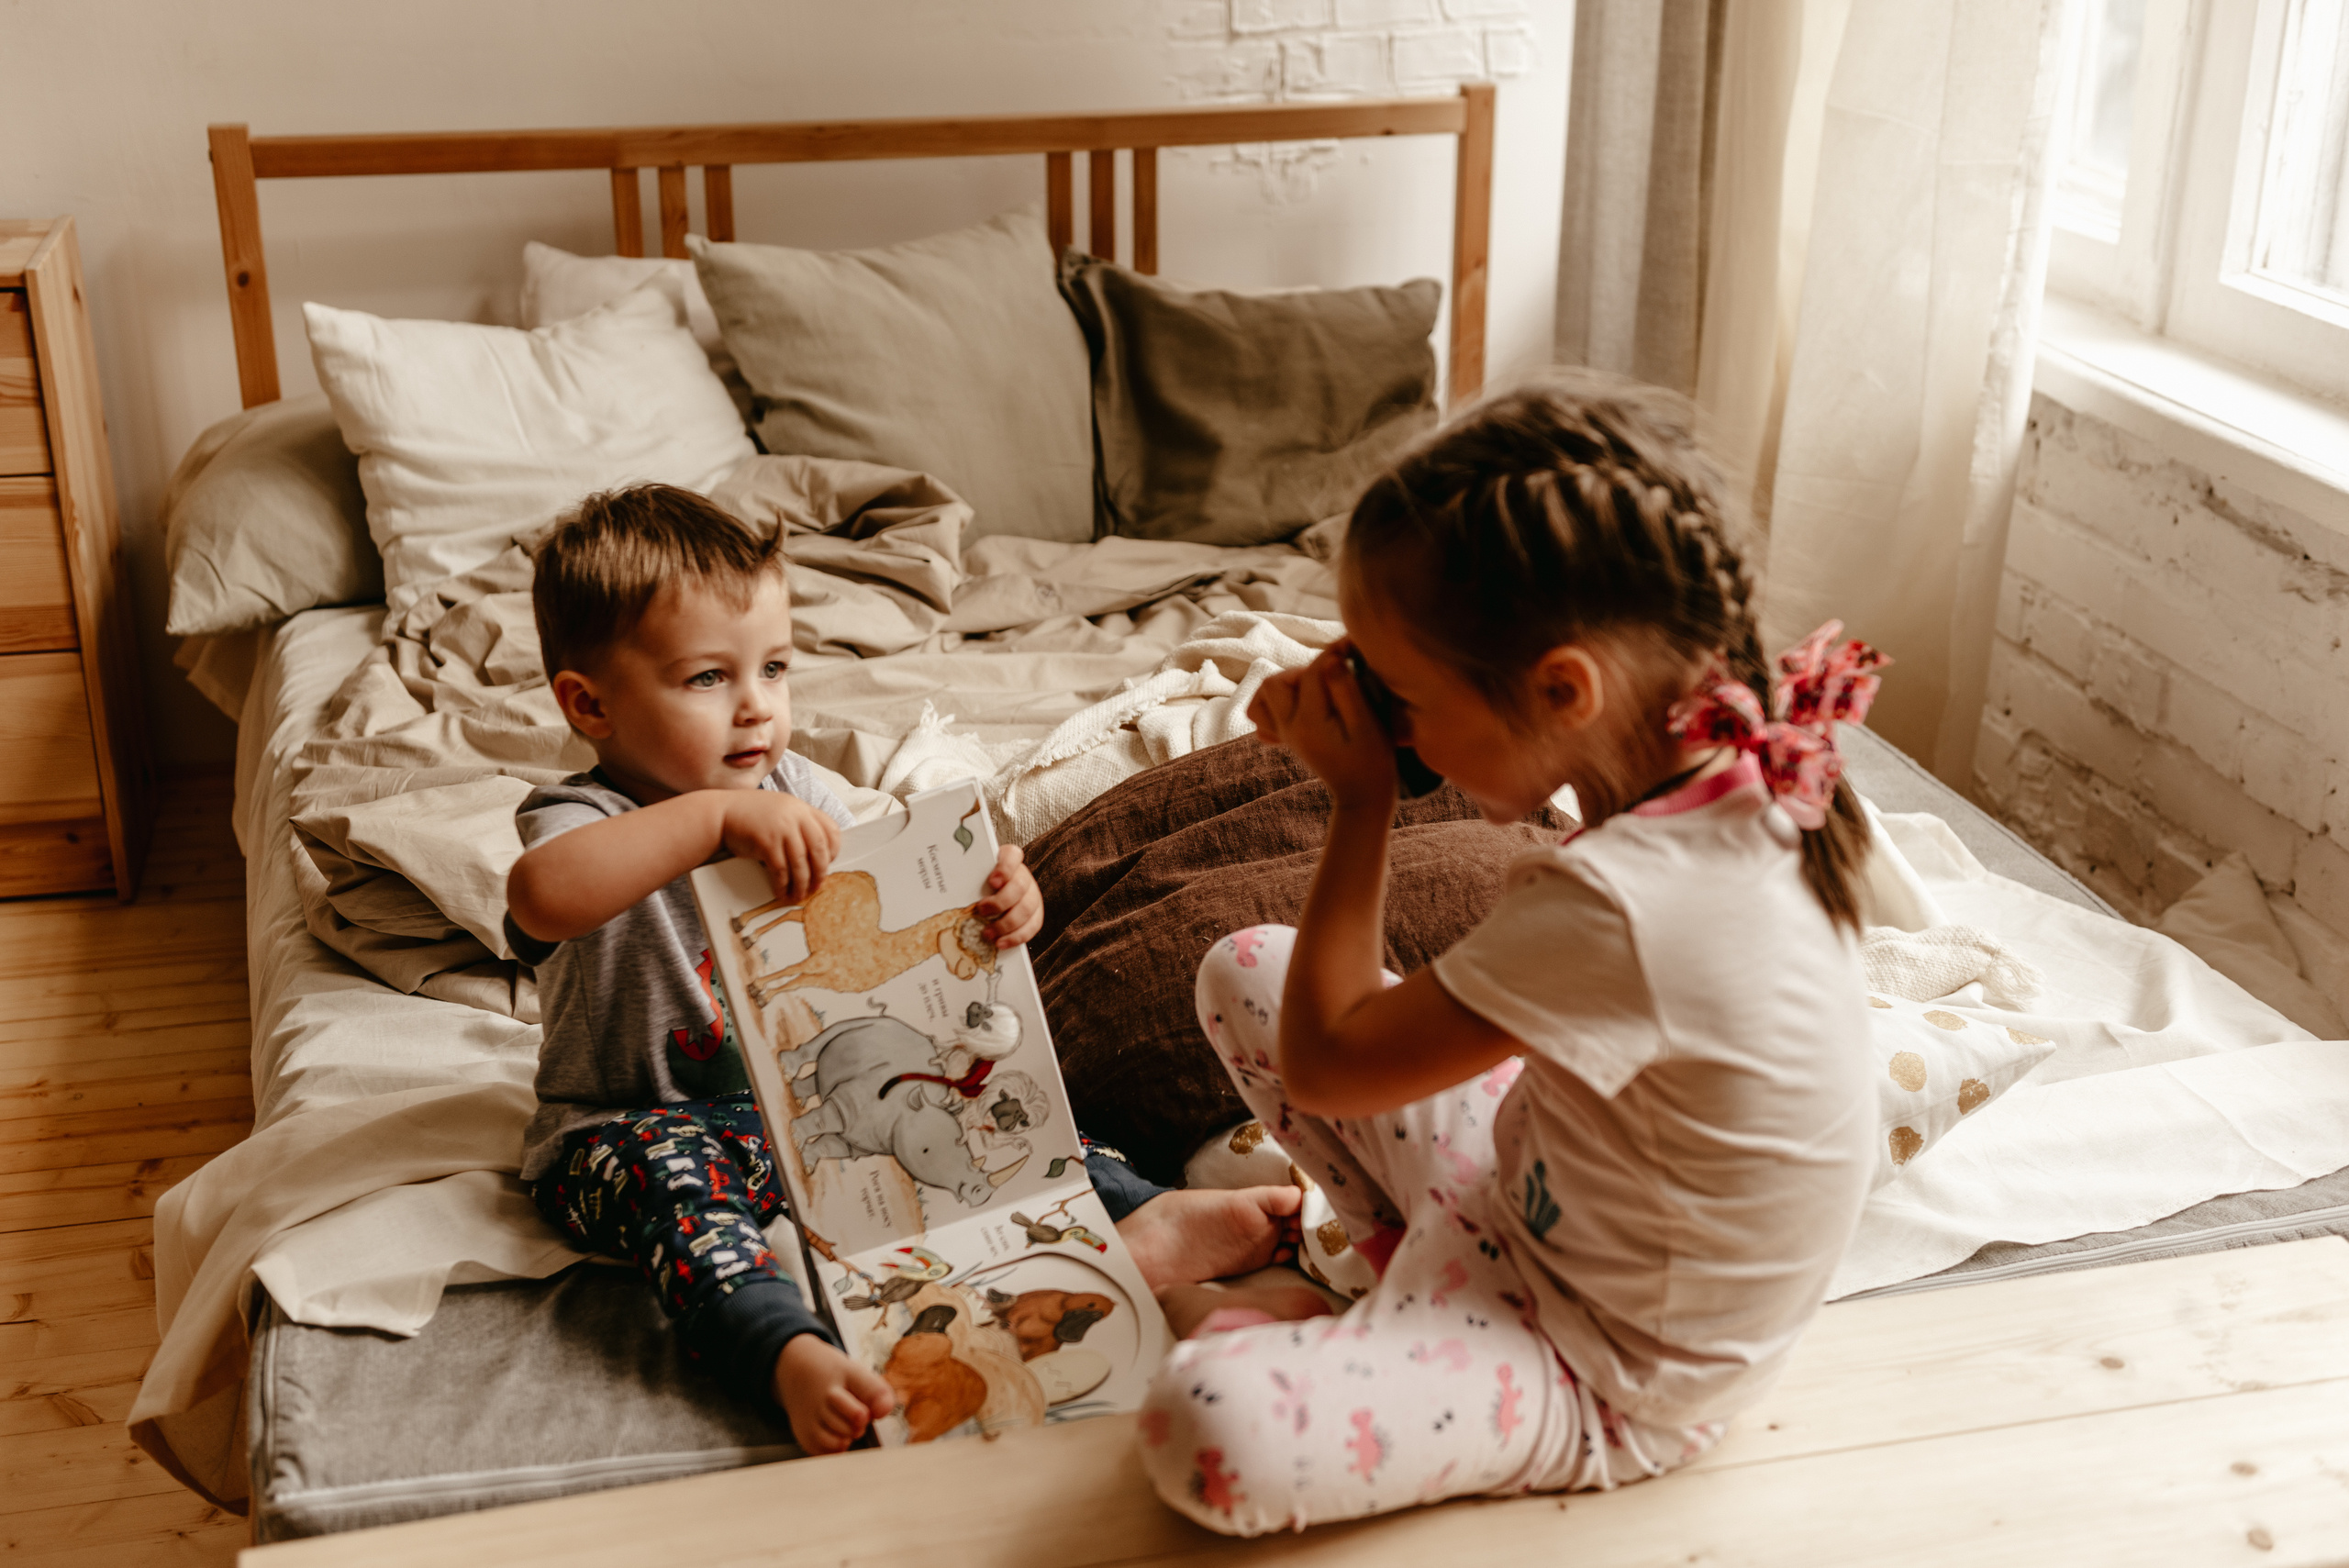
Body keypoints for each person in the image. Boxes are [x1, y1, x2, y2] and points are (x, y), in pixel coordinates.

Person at [1136, 373, 1890, 1535]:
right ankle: (1398, 1284)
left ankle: (1400, 1331)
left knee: (1205, 1426)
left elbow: (1331, 1065)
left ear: (1561, 686)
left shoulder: (1626, 901)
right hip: (1528, 1196)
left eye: (1408, 693)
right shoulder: (1726, 758)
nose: (1398, 723)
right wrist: (1399, 695)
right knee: (1248, 963)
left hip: (1608, 1366)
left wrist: (1361, 801)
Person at [504, 484, 1303, 1457]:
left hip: (807, 1112)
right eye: (707, 676)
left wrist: (1006, 897)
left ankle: (1141, 1224)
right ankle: (781, 1345)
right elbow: (543, 895)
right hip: (632, 1121)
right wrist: (714, 821)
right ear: (591, 703)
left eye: (775, 666)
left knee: (984, 1117)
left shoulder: (798, 788)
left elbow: (922, 877)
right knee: (682, 1206)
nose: (757, 704)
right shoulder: (579, 814)